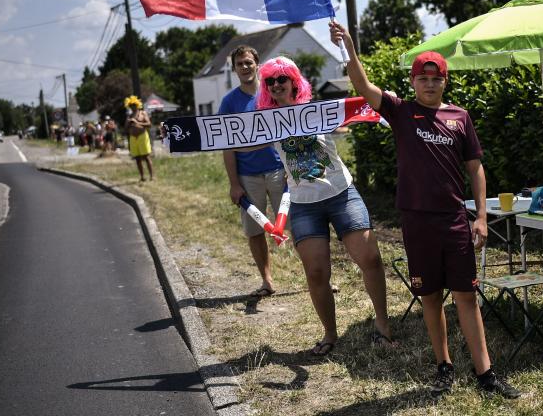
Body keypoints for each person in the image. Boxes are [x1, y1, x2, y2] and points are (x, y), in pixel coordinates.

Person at [330, 20, 520, 400]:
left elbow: (476, 169)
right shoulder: (400, 112)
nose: (430, 84)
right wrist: (349, 47)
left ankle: (485, 373)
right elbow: (363, 87)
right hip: (416, 223)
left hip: (454, 222)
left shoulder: (460, 118)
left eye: (437, 78)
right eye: (423, 78)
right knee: (430, 297)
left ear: (445, 82)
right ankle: (443, 367)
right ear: (414, 82)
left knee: (466, 296)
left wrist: (481, 216)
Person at [254, 55, 394, 355]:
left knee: (370, 258)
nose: (276, 84)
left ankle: (383, 325)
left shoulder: (317, 111)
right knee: (316, 273)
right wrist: (179, 138)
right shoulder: (264, 121)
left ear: (294, 81)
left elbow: (362, 105)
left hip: (342, 194)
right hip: (304, 206)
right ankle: (330, 335)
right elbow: (230, 137)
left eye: (282, 78)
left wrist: (390, 103)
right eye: (270, 81)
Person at [218, 46, 289, 298]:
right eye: (239, 64)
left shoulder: (272, 92)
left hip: (281, 171)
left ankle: (318, 276)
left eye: (248, 62)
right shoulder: (229, 102)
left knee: (301, 226)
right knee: (255, 231)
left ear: (257, 64)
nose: (245, 67)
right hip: (248, 177)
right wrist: (234, 184)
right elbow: (226, 145)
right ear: (234, 69)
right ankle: (267, 281)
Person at [125, 96, 154, 182]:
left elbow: (149, 124)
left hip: (142, 136)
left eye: (134, 104)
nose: (132, 106)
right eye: (131, 105)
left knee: (146, 157)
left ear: (137, 105)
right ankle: (142, 176)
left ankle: (152, 176)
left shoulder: (143, 113)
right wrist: (128, 123)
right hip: (133, 138)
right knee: (137, 158)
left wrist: (137, 122)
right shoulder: (129, 116)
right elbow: (125, 129)